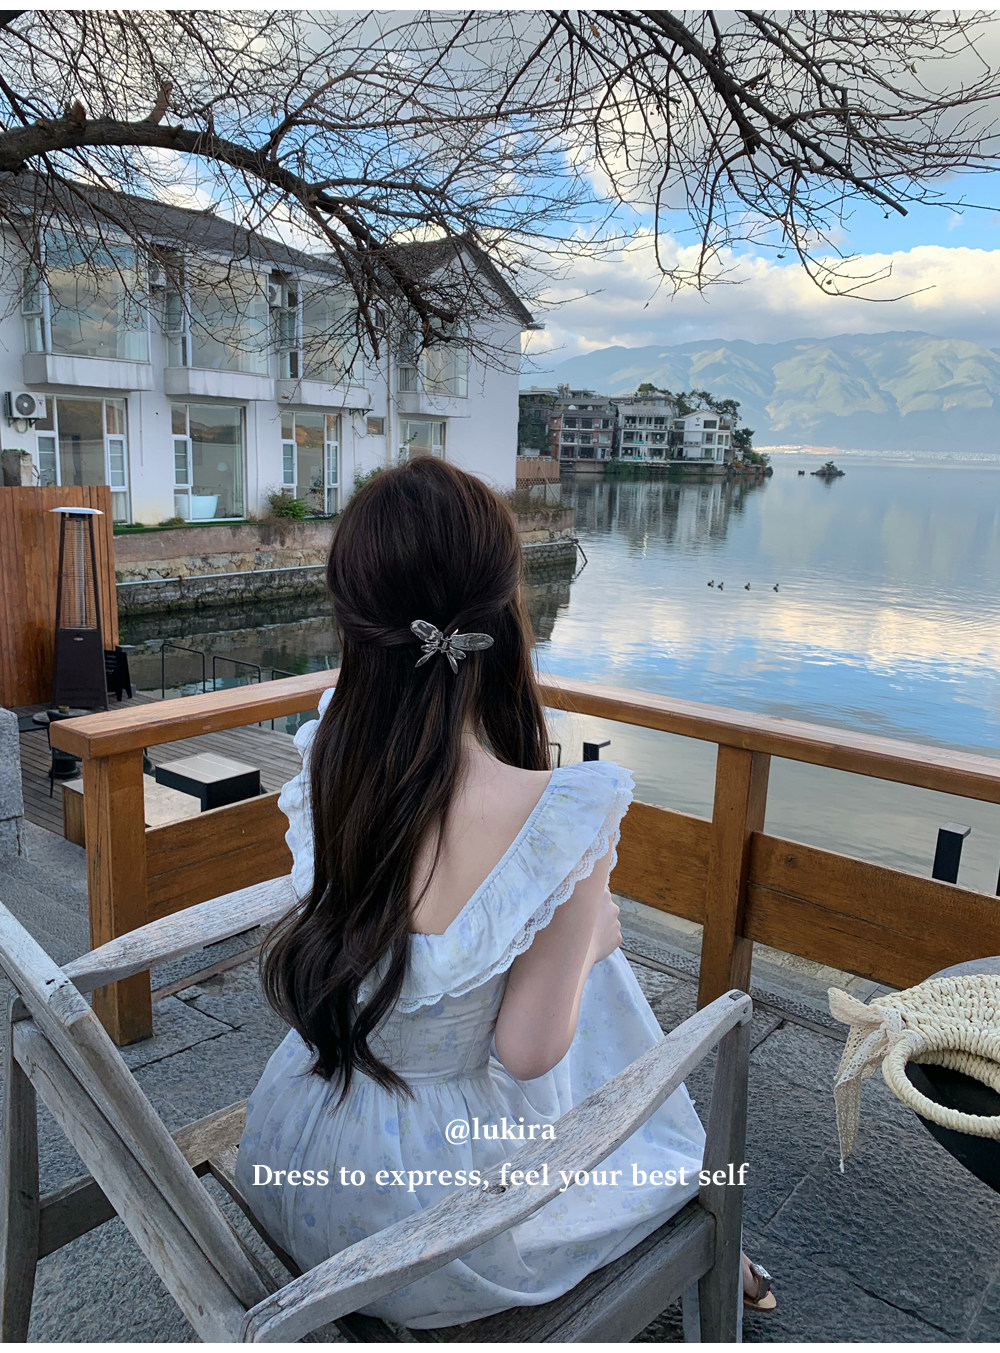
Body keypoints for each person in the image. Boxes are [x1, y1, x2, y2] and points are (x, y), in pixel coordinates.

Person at [235, 457, 775, 1326]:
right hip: (425, 1231)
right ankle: (683, 1178)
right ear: (501, 612)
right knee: (593, 960)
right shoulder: (560, 815)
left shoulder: (331, 752)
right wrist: (592, 938)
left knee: (570, 947)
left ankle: (670, 1167)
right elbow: (529, 1052)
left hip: (294, 1152)